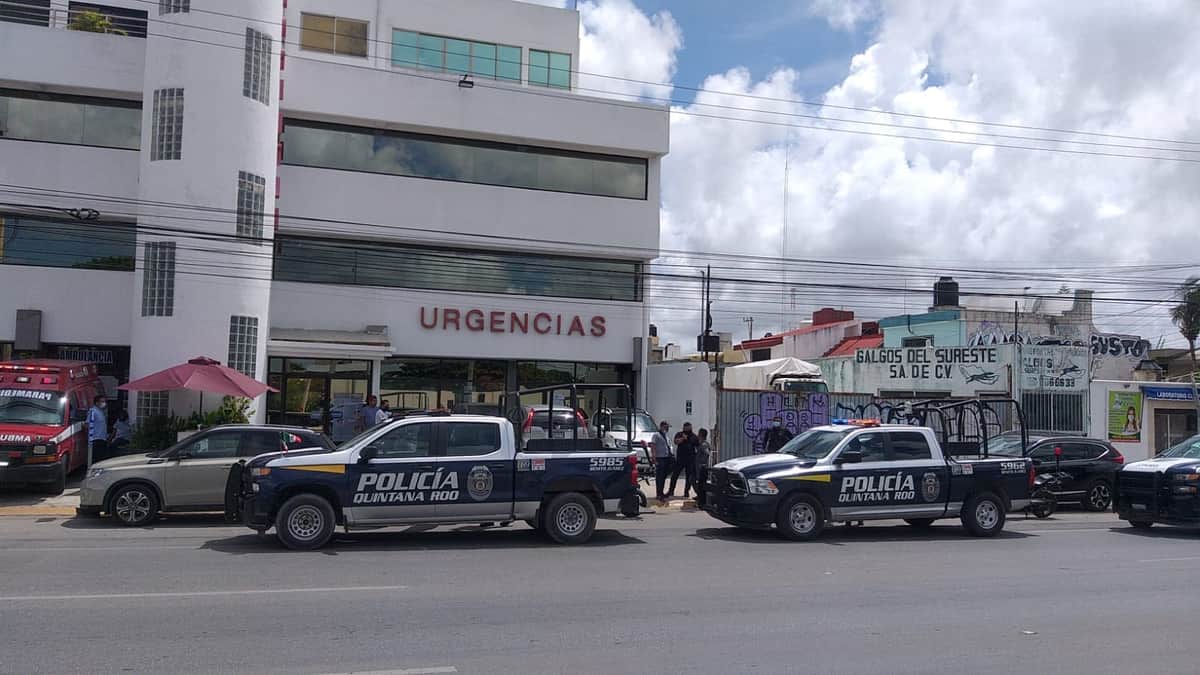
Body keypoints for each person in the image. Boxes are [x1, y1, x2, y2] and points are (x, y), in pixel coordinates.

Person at [670, 422, 700, 499]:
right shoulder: (679, 434)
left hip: (690, 460)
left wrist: (687, 439)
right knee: (674, 475)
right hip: (680, 459)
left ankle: (686, 492)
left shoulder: (693, 436)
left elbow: (696, 444)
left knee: (688, 477)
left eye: (689, 427)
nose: (687, 429)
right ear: (683, 428)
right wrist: (683, 438)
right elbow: (676, 441)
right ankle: (671, 491)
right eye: (686, 428)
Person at [650, 420, 674, 505]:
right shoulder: (656, 435)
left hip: (666, 458)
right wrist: (653, 457)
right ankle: (659, 494)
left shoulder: (665, 436)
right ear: (662, 426)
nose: (667, 428)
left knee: (663, 477)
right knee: (659, 477)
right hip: (660, 458)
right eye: (666, 427)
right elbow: (653, 445)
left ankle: (661, 492)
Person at [87, 394, 108, 464]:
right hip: (95, 439)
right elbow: (88, 424)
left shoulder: (101, 412)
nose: (104, 403)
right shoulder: (93, 411)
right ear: (97, 403)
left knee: (101, 459)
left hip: (102, 438)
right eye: (102, 401)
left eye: (104, 401)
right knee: (96, 459)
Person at [695, 428, 713, 493]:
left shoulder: (704, 444)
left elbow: (706, 453)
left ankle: (702, 499)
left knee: (702, 483)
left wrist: (702, 463)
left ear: (701, 435)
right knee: (700, 483)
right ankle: (700, 496)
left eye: (699, 433)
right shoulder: (702, 443)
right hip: (701, 467)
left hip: (702, 467)